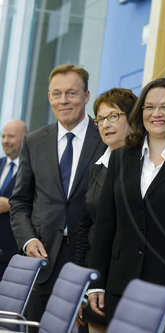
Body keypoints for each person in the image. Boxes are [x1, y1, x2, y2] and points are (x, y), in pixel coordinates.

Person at [88, 78, 165, 330]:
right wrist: (97, 282)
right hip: (120, 287)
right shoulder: (121, 158)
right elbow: (105, 226)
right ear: (140, 112)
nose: (156, 114)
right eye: (149, 107)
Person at [9, 64, 106, 327]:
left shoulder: (106, 138)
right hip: (43, 260)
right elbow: (19, 202)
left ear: (86, 96)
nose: (63, 100)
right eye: (57, 93)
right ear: (49, 97)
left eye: (72, 93)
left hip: (89, 260)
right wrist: (28, 240)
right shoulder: (33, 141)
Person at [74, 88, 137, 333]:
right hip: (95, 280)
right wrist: (80, 287)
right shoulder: (96, 168)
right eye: (100, 119)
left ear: (133, 118)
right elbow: (84, 231)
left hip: (127, 281)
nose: (105, 125)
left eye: (114, 116)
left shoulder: (146, 167)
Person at [0, 120, 27, 277]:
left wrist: (11, 204)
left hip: (13, 254)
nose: (5, 141)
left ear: (25, 138)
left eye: (11, 136)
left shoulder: (34, 170)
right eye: (3, 136)